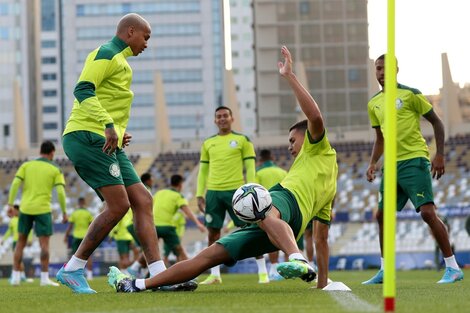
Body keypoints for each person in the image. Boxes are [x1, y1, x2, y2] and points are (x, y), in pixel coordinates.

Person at [108, 45, 337, 292]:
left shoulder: (318, 148)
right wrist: (322, 285)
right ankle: (138, 284)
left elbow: (315, 117)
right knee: (208, 256)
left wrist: (290, 76)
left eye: (293, 140)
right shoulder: (330, 183)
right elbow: (321, 237)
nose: (290, 147)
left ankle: (296, 257)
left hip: (285, 202)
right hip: (281, 226)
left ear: (308, 136)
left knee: (263, 207)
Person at [56, 13, 195, 293]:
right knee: (119, 206)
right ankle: (72, 268)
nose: (147, 44)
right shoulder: (106, 53)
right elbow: (83, 90)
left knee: (143, 199)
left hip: (107, 141)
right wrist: (108, 125)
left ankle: (159, 276)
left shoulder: (121, 62)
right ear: (130, 32)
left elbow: (106, 100)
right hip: (86, 136)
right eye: (146, 37)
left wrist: (117, 132)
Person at [362, 54, 464, 284]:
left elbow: (437, 122)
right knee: (382, 216)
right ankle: (385, 270)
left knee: (428, 214)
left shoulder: (410, 94)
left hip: (414, 160)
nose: (380, 72)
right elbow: (380, 138)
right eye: (377, 69)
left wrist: (439, 154)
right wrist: (372, 163)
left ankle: (453, 267)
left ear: (396, 70)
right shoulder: (374, 103)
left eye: (385, 68)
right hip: (390, 166)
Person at [196, 105, 269, 285]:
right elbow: (203, 170)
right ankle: (215, 275)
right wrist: (199, 193)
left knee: (253, 229)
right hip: (213, 192)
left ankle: (263, 272)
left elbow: (250, 166)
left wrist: (251, 187)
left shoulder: (243, 140)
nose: (222, 119)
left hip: (237, 192)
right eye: (219, 116)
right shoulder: (208, 143)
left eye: (225, 116)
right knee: (213, 233)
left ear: (232, 118)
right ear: (215, 120)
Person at [8, 140, 67, 286]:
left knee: (20, 243)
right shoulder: (55, 169)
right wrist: (64, 212)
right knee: (44, 245)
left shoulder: (26, 165)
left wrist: (10, 204)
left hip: (25, 208)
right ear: (52, 152)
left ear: (40, 151)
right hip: (43, 209)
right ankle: (44, 278)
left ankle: (15, 277)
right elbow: (60, 192)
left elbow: (15, 183)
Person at [254, 149, 289, 281]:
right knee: (283, 234)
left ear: (261, 160)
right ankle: (287, 266)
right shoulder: (283, 172)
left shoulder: (259, 173)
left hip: (264, 209)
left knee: (269, 237)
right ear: (272, 157)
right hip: (282, 206)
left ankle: (273, 269)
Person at [1, 205, 34, 283]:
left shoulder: (24, 219)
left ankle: (15, 275)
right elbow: (9, 231)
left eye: (16, 210)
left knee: (17, 259)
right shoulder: (12, 220)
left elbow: (29, 230)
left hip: (21, 241)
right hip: (15, 241)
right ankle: (22, 276)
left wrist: (29, 239)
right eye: (14, 210)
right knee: (18, 259)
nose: (15, 212)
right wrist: (3, 239)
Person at [64, 197, 94, 280]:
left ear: (78, 203)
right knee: (88, 256)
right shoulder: (88, 213)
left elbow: (70, 226)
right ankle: (90, 275)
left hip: (76, 237)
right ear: (84, 202)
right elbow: (91, 226)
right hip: (85, 237)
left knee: (75, 256)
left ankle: (73, 274)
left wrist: (66, 236)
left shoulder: (74, 213)